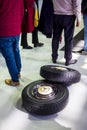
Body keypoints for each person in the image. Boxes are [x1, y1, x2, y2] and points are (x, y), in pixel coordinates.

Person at [0, 0, 33, 86]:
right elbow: (22, 11)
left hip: (4, 30)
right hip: (16, 29)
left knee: (9, 56)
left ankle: (15, 80)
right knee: (15, 51)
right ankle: (17, 72)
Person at [52, 0, 81, 65]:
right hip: (69, 15)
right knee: (68, 39)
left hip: (56, 15)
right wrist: (78, 18)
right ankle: (68, 59)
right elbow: (77, 3)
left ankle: (54, 57)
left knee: (55, 37)